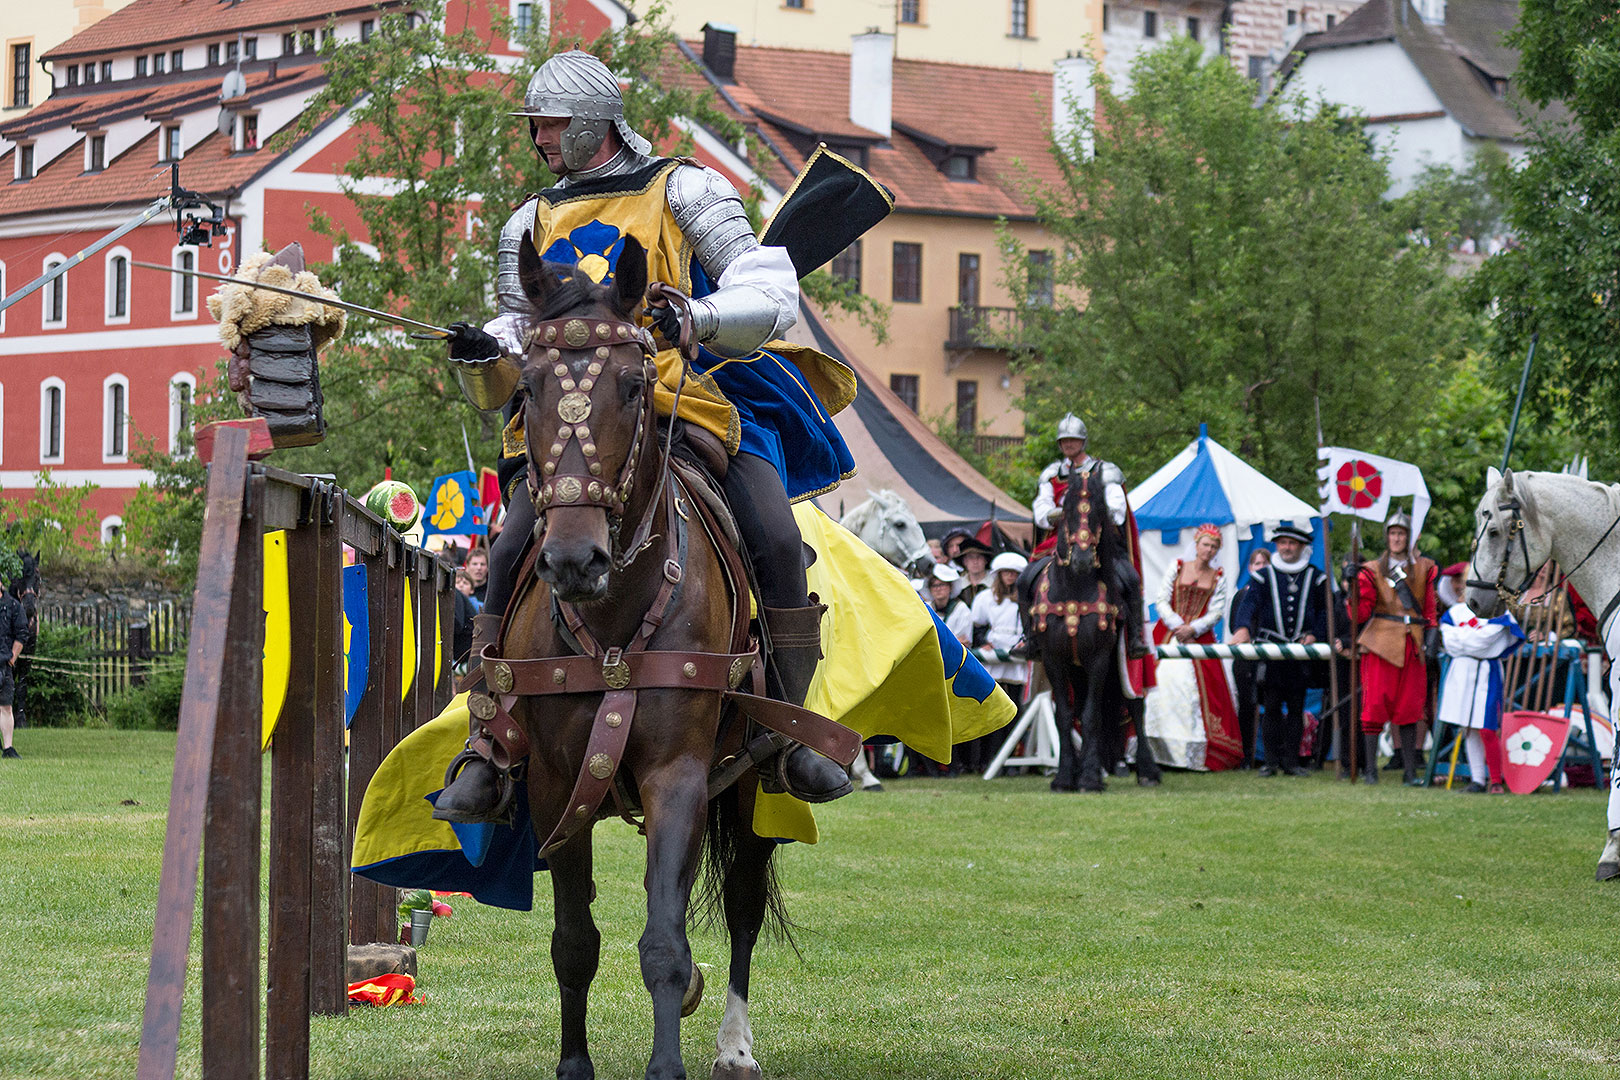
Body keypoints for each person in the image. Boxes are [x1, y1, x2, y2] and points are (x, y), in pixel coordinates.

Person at [436, 50, 856, 821]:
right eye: (534, 124)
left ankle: (792, 732)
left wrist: (695, 317)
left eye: (551, 124)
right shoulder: (528, 220)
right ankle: (489, 742)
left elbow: (767, 289)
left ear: (592, 121)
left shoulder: (685, 188)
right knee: (505, 552)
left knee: (771, 531)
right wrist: (483, 352)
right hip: (570, 423)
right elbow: (518, 330)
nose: (538, 137)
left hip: (679, 400)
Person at [1030, 413, 1148, 658]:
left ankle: (1135, 638)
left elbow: (1117, 511)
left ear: (1083, 441)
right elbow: (1041, 511)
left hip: (1099, 543)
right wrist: (1066, 514)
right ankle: (1030, 639)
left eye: (1073, 440)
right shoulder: (1052, 474)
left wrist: (1092, 514)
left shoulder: (1105, 471)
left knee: (1131, 579)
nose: (1068, 444)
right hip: (1059, 544)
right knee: (1024, 580)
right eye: (1064, 440)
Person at [1143, 524, 1242, 771]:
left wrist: (1193, 628)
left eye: (1214, 547)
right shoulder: (1177, 567)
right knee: (1158, 685)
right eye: (1205, 545)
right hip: (1168, 632)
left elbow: (1217, 610)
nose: (1208, 550)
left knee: (1199, 694)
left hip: (1199, 637)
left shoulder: (1218, 576)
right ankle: (1152, 750)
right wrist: (1177, 624)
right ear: (1196, 545)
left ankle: (1191, 754)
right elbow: (1162, 599)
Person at [1350, 509, 1438, 785]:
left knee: (1410, 708)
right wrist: (1353, 584)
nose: (1397, 538)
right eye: (1393, 533)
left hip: (1413, 642)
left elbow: (1431, 610)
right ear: (1387, 537)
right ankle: (1371, 773)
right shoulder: (1373, 569)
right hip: (1380, 643)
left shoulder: (1425, 567)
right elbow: (1360, 614)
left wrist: (1432, 637)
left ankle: (1410, 772)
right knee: (1374, 706)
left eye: (1401, 533)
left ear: (1410, 537)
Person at [1245, 524, 1327, 778]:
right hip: (1271, 653)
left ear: (1302, 547)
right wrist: (1242, 629)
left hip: (1300, 654)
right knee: (1270, 707)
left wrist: (1315, 634)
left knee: (1296, 707)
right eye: (1282, 543)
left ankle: (1291, 762)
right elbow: (1248, 607)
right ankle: (1270, 762)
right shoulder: (1263, 576)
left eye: (1292, 544)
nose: (1287, 548)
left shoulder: (1316, 577)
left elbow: (1325, 612)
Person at [1437, 603, 1523, 792]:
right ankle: (1477, 780)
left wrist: (1462, 638)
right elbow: (1449, 641)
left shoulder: (1499, 611)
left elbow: (1483, 641)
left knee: (1487, 728)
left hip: (1487, 671)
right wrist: (1471, 638)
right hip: (1462, 670)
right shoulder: (1455, 612)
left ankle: (1495, 780)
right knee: (1468, 727)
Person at [967, 552, 1029, 773]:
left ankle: (1008, 759)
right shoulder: (985, 598)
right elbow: (978, 625)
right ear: (999, 575)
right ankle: (985, 759)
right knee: (990, 709)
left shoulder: (1025, 598)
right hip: (993, 659)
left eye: (1014, 573)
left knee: (1014, 709)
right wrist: (983, 643)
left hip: (1016, 657)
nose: (1010, 577)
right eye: (1006, 573)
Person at [1227, 546, 1272, 768]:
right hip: (1245, 659)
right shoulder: (1241, 595)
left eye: (1264, 564)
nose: (1260, 568)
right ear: (1249, 567)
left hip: (1268, 657)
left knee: (1271, 705)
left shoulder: (1275, 594)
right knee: (1246, 706)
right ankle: (1245, 755)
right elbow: (1234, 625)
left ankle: (1269, 756)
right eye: (1257, 564)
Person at [0, 582, 28, 759]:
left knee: (6, 707)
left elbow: (22, 633)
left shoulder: (13, 606)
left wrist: (12, 658)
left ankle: (8, 748)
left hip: (3, 664)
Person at [955, 535, 994, 609]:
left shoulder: (995, 585)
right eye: (970, 557)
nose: (975, 561)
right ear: (964, 561)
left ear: (985, 560)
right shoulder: (957, 587)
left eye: (979, 557)